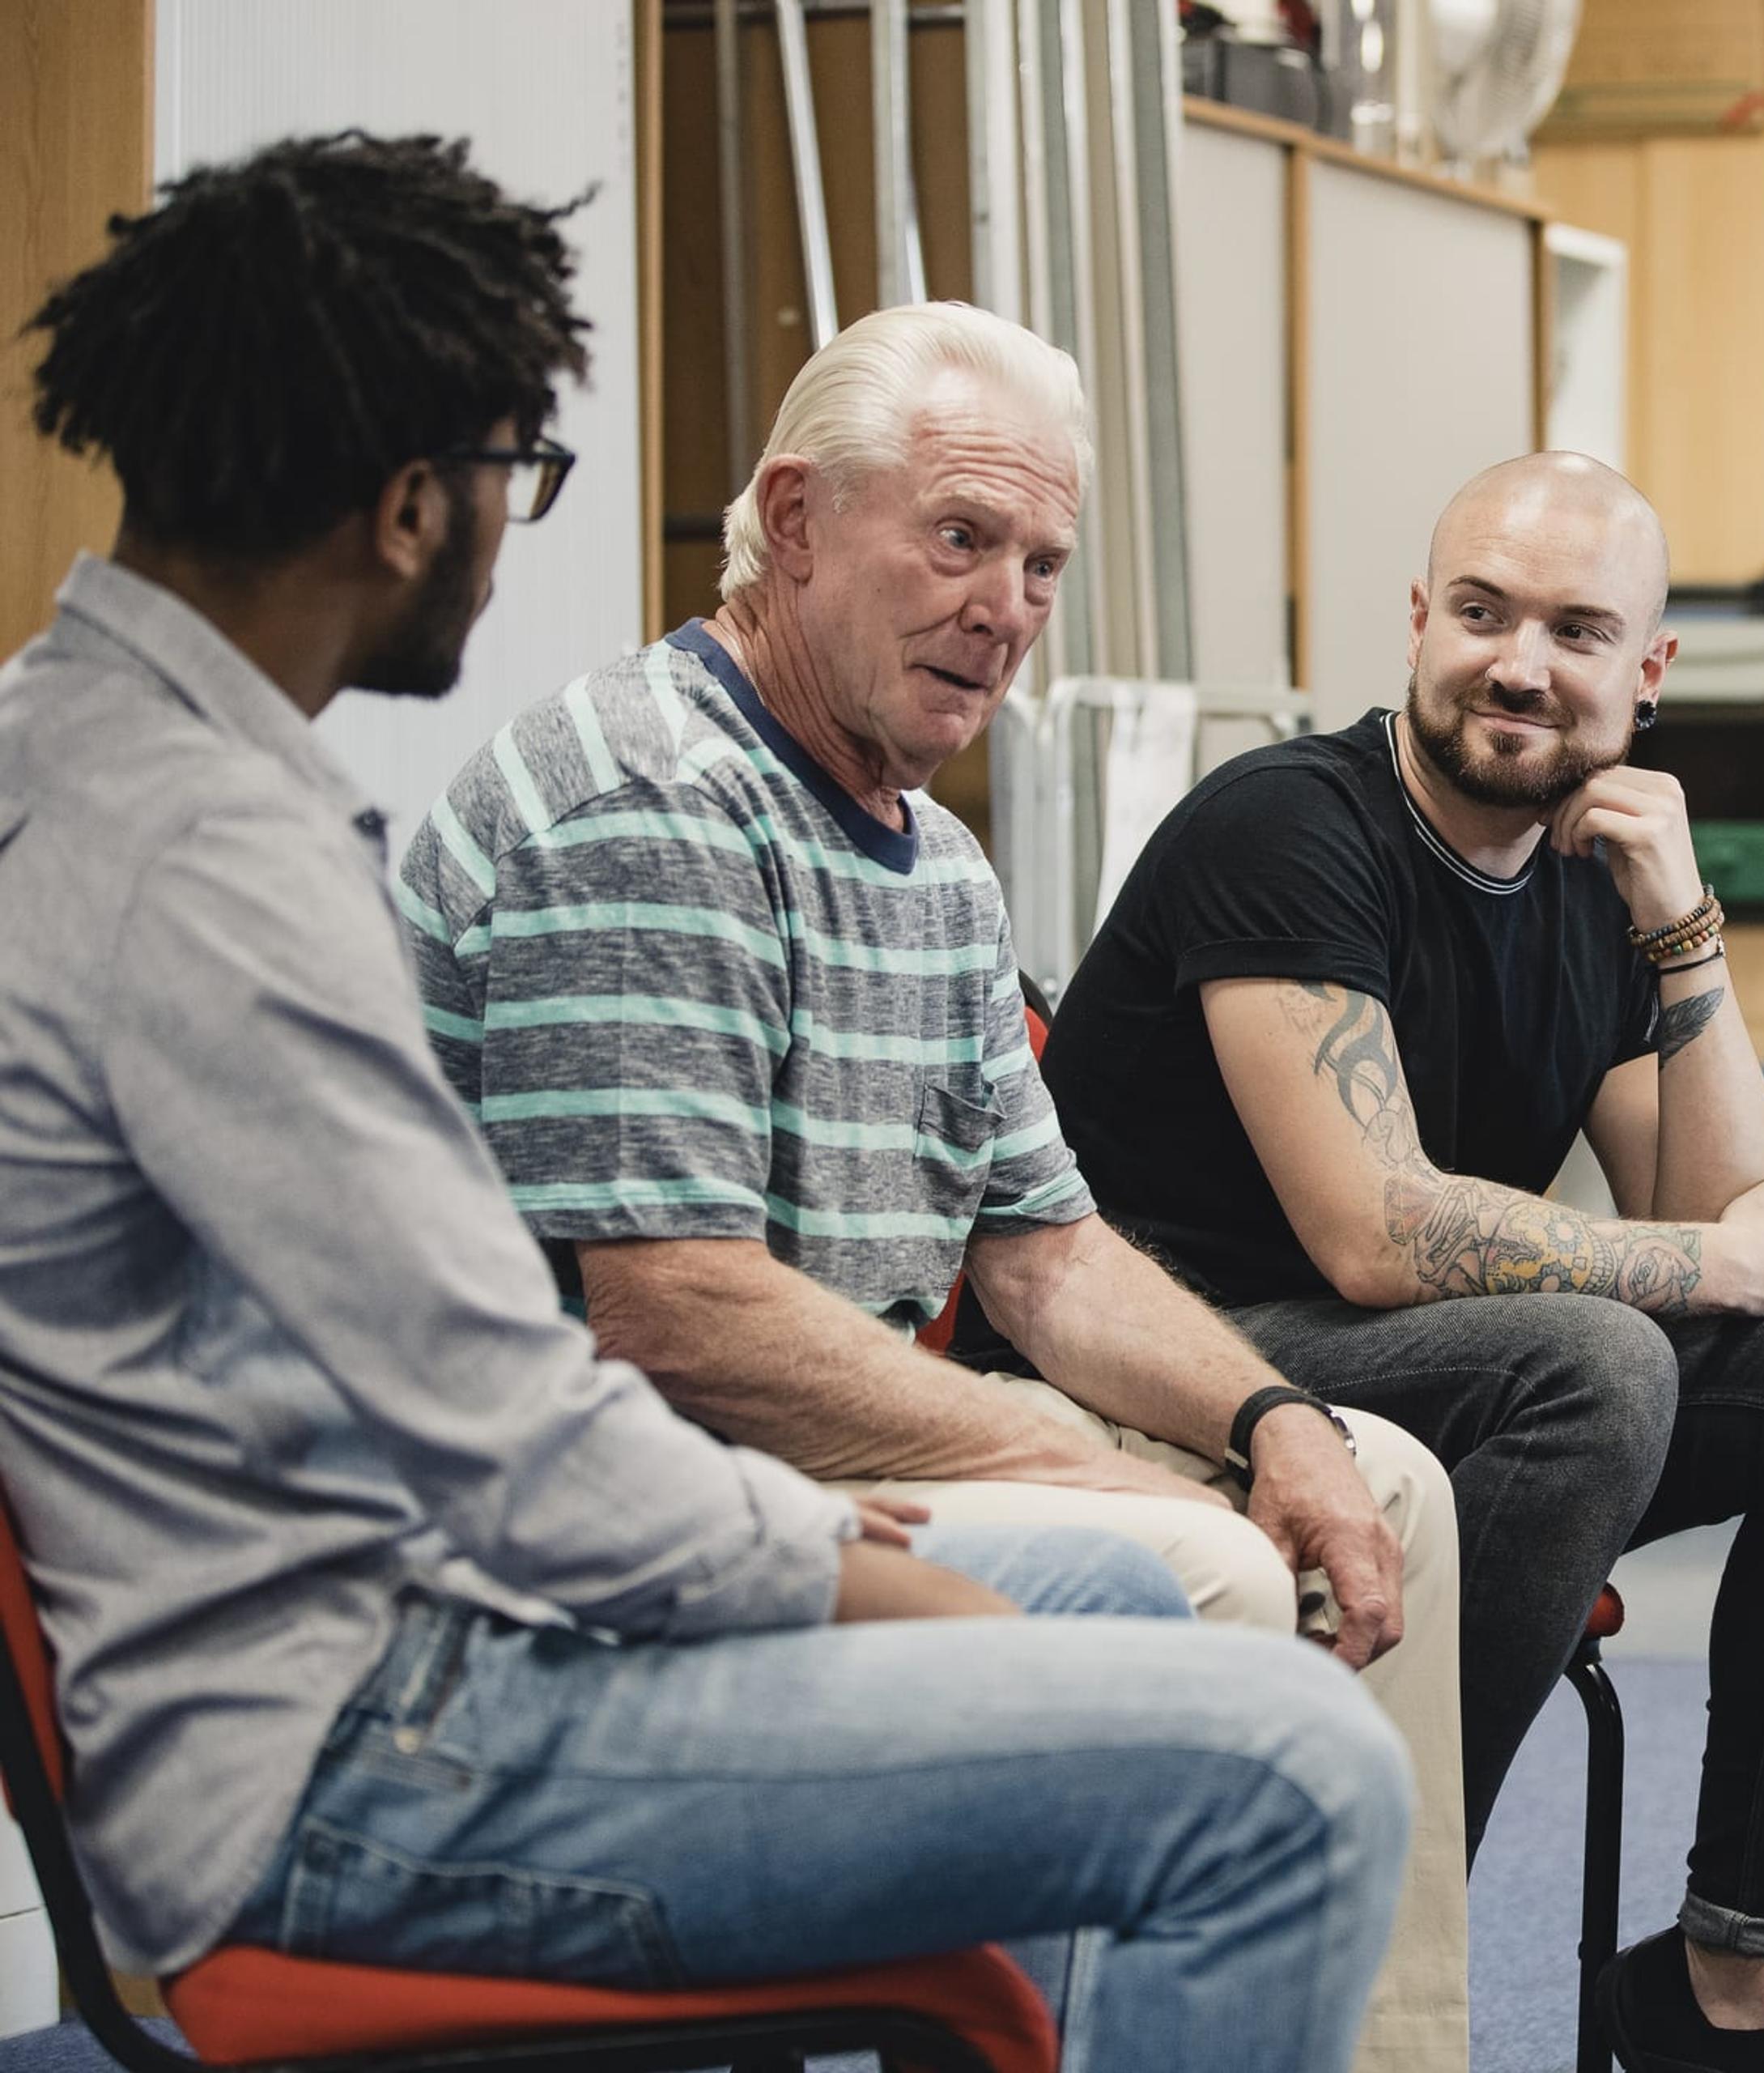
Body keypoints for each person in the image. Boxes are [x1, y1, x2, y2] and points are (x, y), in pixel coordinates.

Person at [0, 133, 1408, 2073]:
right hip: (368, 1738)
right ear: (414, 504)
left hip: (398, 1626)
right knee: (1291, 1773)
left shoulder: (77, 752)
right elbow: (526, 1418)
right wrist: (860, 1581)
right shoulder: (209, 866)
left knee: (1116, 1578)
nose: (520, 532)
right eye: (520, 476)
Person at [397, 299, 1466, 2073]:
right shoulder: (657, 800)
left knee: (1385, 1482)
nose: (1008, 605)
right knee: (1201, 1569)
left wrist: (1276, 1411)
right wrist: (1051, 1451)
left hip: (828, 1443)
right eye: (961, 536)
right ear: (797, 520)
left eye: (1042, 561)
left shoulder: (936, 856)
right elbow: (669, 1311)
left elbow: (1046, 1252)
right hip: (627, 1504)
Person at [1039, 450, 1764, 2073]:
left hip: (1417, 1382)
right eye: (1482, 612)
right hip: (1170, 1362)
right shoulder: (1288, 824)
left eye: (1577, 629)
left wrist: (1683, 923)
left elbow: (1752, 1243)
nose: (1519, 663)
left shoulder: (1595, 885)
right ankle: (1349, 1919)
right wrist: (1699, 1261)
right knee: (1599, 1355)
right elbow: (1373, 1230)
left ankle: (1727, 1985)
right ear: (1419, 622)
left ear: (1647, 673)